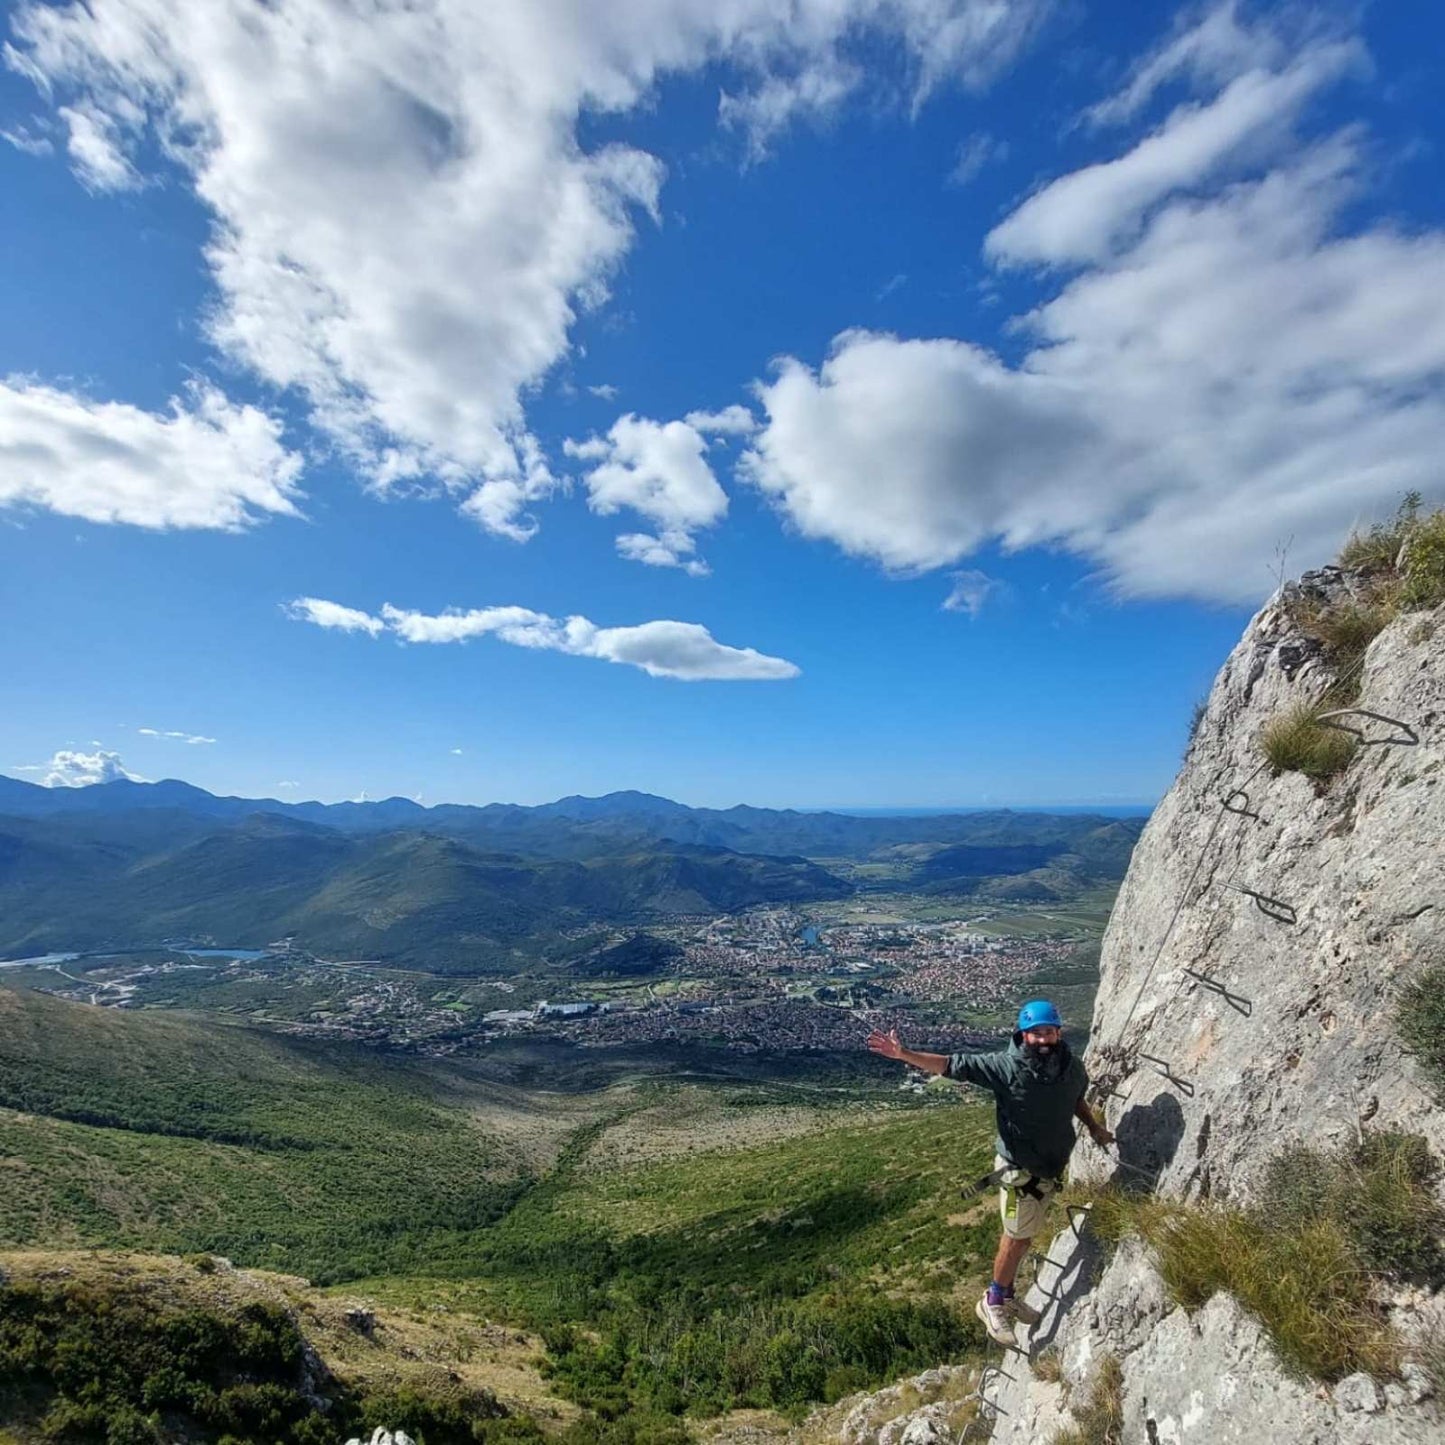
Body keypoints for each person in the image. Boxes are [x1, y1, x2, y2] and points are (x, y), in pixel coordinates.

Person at [867, 999, 1113, 1347]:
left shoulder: (1071, 1068)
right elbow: (953, 1066)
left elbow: (1075, 1100)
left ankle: (1008, 1293)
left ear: (1058, 1032)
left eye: (1048, 1032)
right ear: (1023, 1035)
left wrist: (1094, 1128)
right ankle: (994, 1299)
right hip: (1019, 1172)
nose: (1043, 1039)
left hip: (1048, 1168)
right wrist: (904, 1053)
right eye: (1036, 1033)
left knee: (1024, 1236)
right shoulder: (1004, 1067)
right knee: (1015, 1239)